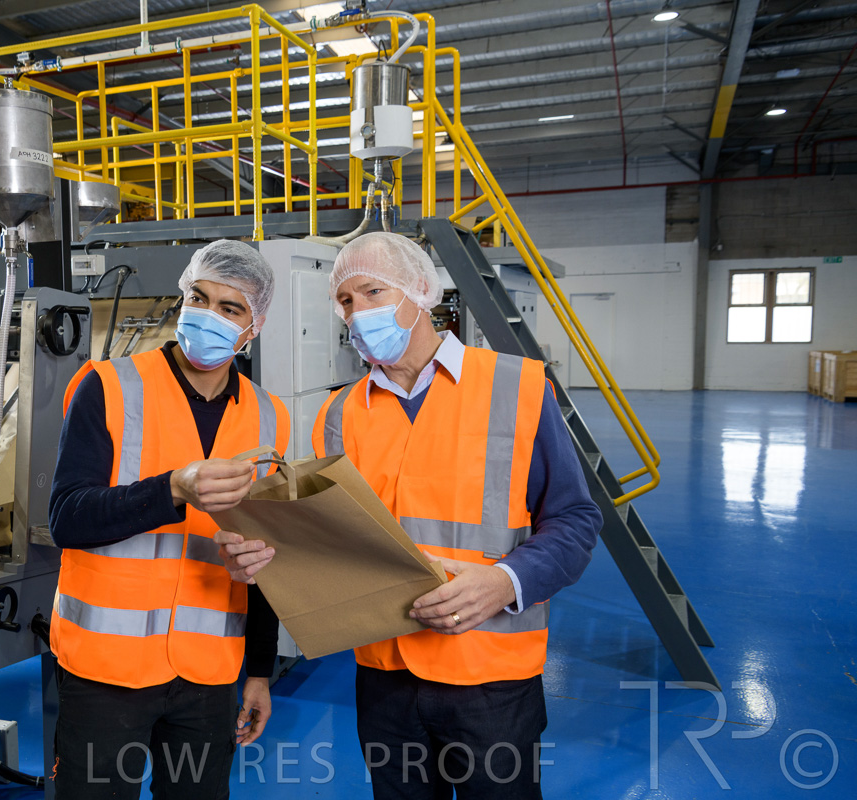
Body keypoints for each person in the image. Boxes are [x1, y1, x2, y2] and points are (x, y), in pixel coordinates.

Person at [217, 232, 602, 799]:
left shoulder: (517, 386)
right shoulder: (339, 413)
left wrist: (506, 581)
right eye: (345, 300)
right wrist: (266, 556)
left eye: (372, 292)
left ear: (421, 290)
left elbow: (574, 520)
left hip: (488, 672)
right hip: (384, 675)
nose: (357, 311)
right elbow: (331, 545)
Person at [47, 239, 289, 799]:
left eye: (230, 308)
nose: (209, 315)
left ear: (253, 328)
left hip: (209, 673)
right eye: (198, 298)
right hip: (105, 670)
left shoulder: (268, 415)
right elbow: (67, 518)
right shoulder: (108, 385)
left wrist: (259, 670)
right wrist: (173, 489)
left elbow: (265, 555)